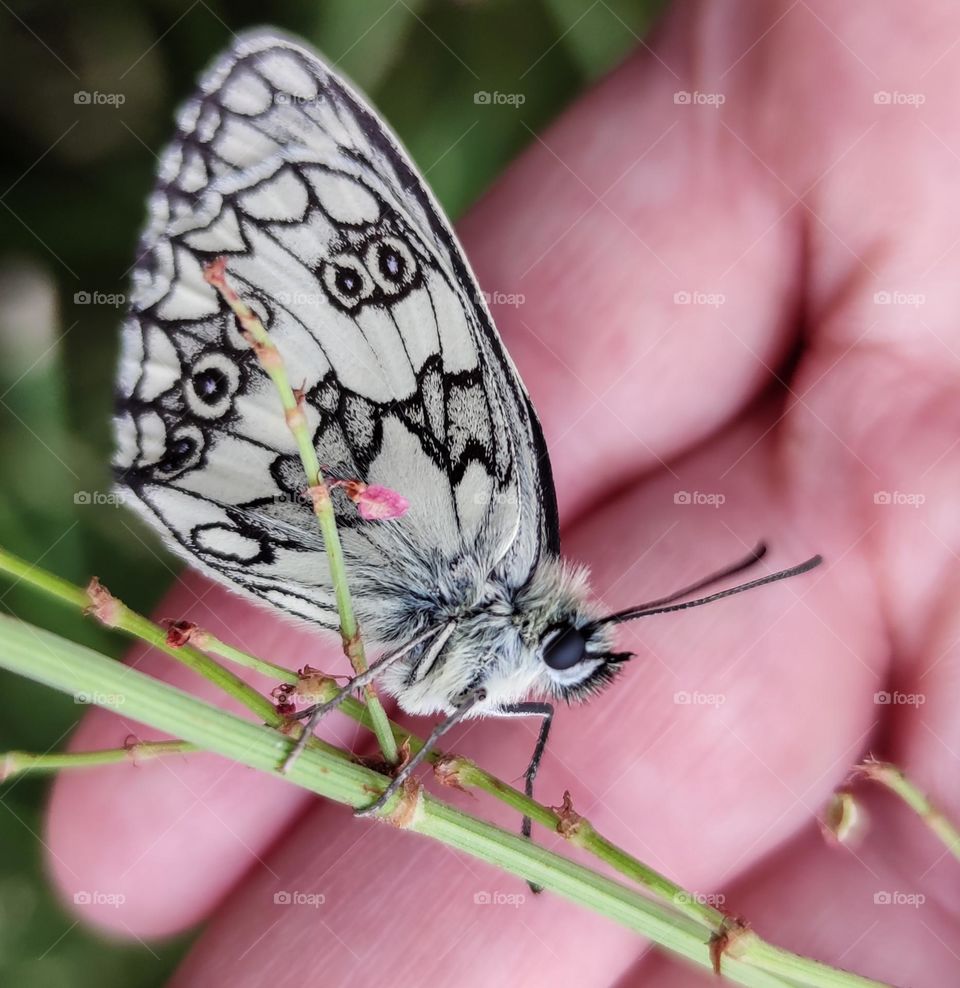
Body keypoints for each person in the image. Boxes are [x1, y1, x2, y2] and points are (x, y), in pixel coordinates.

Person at [46, 3, 960, 984]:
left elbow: (497, 696)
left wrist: (512, 778)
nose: (573, 671)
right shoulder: (498, 552)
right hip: (268, 396)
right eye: (564, 653)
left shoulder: (518, 662)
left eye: (571, 655)